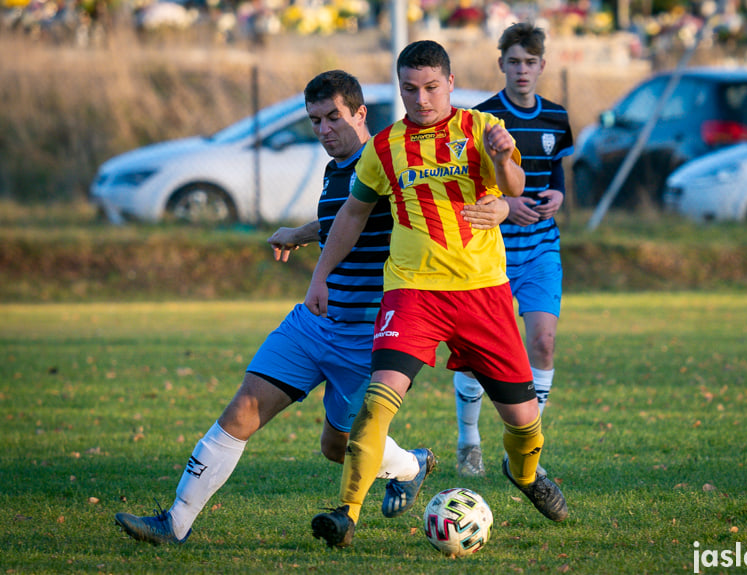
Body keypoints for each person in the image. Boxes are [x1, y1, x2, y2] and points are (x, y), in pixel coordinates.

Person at [113, 70, 509, 545]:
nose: (324, 130)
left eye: (333, 118)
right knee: (243, 409)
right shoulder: (335, 169)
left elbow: (434, 204)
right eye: (315, 120)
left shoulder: (389, 160)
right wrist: (302, 234)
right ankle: (174, 523)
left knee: (336, 446)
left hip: (368, 336)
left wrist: (502, 205)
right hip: (313, 323)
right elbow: (342, 218)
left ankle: (410, 465)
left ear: (360, 114)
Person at [305, 40, 568, 549]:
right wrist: (319, 274)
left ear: (449, 82)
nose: (421, 99)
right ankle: (346, 513)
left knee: (523, 421)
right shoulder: (385, 147)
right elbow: (352, 215)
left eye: (430, 87)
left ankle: (527, 476)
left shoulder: (480, 129)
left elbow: (513, 188)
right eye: (409, 89)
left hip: (482, 293)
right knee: (378, 402)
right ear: (400, 87)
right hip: (412, 293)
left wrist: (504, 156)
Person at [453, 22, 575, 477]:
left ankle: (525, 449)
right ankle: (469, 439)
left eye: (530, 62)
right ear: (501, 64)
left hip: (542, 248)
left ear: (542, 66)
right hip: (491, 253)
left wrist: (558, 196)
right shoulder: (483, 118)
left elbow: (556, 171)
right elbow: (469, 186)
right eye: (514, 62)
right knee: (474, 351)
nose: (522, 70)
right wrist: (507, 204)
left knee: (542, 343)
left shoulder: (557, 117)